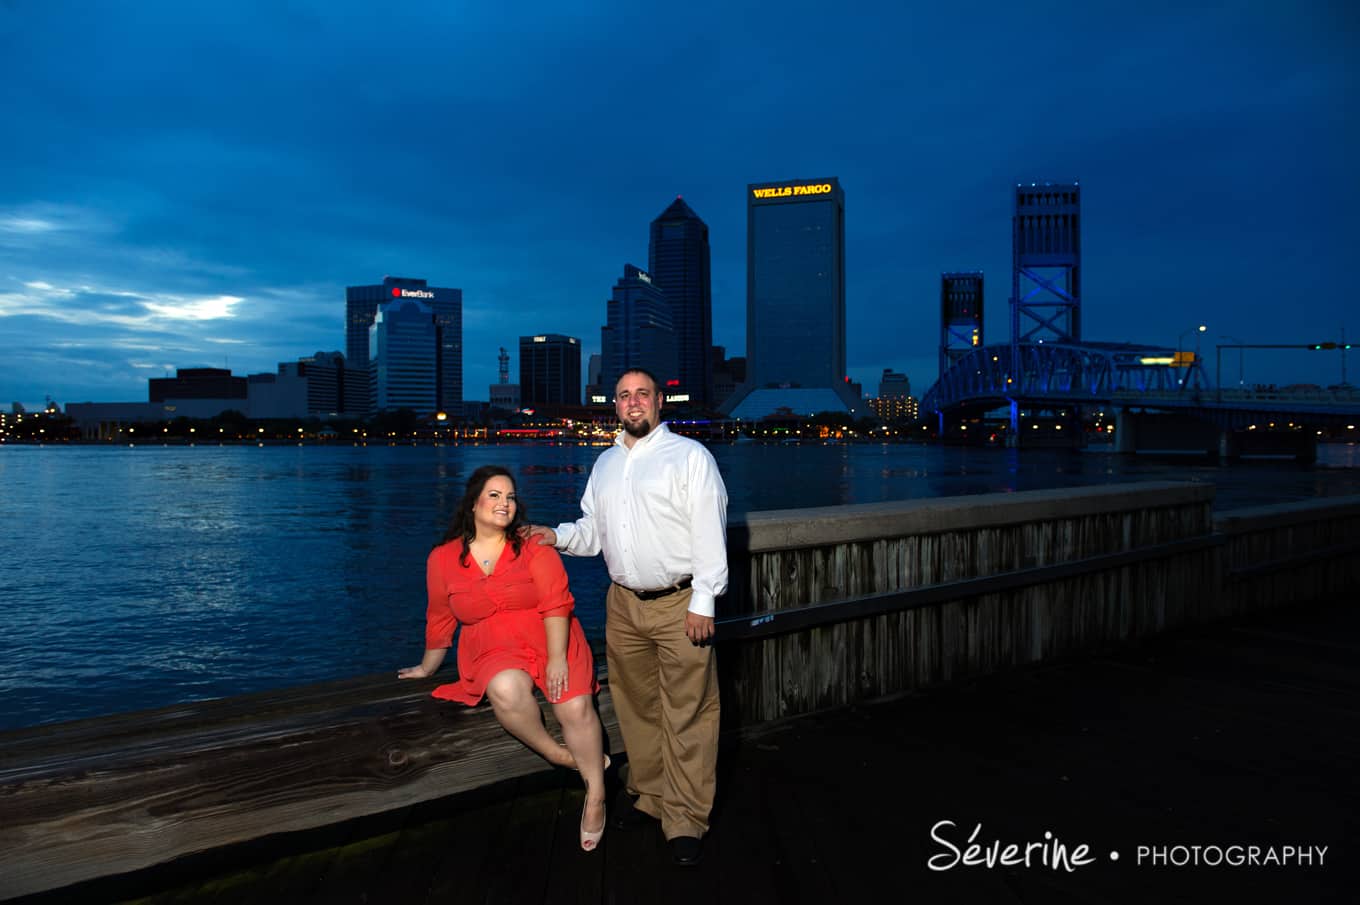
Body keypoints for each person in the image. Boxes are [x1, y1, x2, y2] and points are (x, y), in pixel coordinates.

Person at [529, 368, 728, 866]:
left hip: (679, 602)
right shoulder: (605, 464)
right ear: (615, 406)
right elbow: (594, 532)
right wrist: (557, 536)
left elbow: (710, 530)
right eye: (624, 396)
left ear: (660, 401)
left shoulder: (689, 457)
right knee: (637, 708)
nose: (634, 402)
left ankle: (685, 818)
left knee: (688, 711)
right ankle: (651, 797)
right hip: (622, 604)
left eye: (643, 394)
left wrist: (704, 598)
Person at [399, 465, 608, 852]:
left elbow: (556, 604)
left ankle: (595, 796)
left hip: (551, 635)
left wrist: (558, 659)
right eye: (494, 495)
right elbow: (440, 616)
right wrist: (428, 667)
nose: (504, 503)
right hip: (492, 645)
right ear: (473, 503)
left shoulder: (532, 546)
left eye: (510, 496)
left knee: (574, 705)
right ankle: (560, 756)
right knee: (505, 688)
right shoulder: (442, 559)